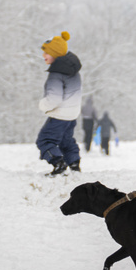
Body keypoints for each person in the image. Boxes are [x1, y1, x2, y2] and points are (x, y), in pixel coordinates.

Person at [36, 30, 84, 176]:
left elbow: (54, 99)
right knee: (66, 140)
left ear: (56, 54)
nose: (43, 55)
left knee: (45, 140)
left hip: (60, 115)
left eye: (47, 53)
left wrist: (43, 105)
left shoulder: (56, 74)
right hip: (72, 114)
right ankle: (74, 163)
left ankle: (58, 163)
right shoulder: (73, 70)